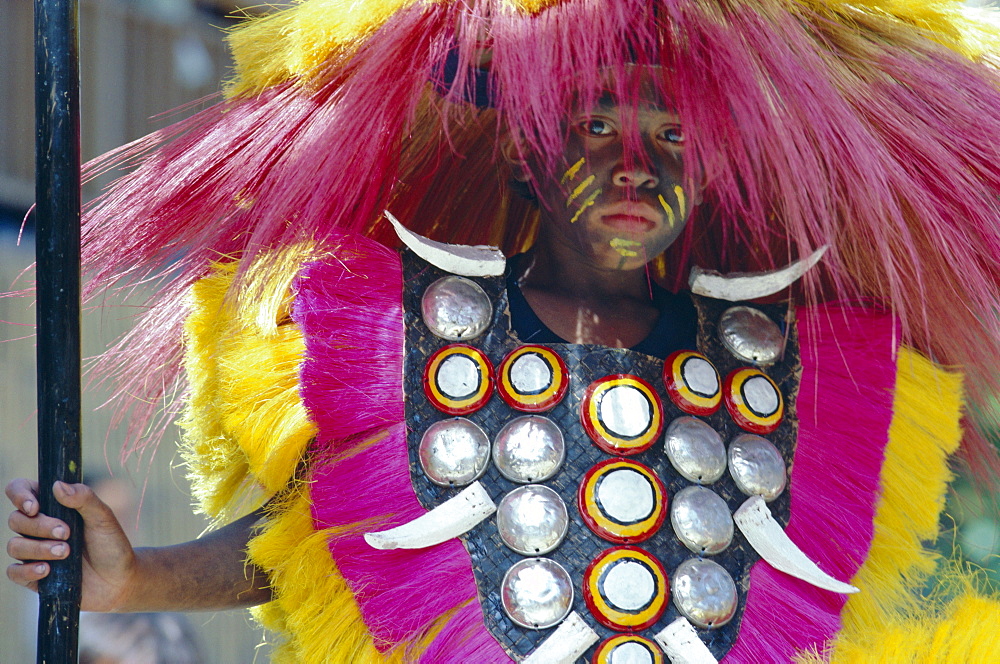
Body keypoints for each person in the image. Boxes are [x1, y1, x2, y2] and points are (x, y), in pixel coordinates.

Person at [8, 0, 1000, 661]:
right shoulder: (419, 330)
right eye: (596, 129)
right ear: (530, 158)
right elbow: (329, 537)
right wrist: (140, 575)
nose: (631, 166)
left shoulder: (779, 358)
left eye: (667, 139)